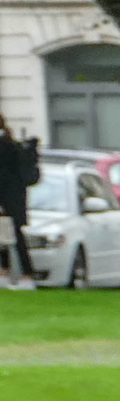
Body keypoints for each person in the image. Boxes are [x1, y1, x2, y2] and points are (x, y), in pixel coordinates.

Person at [0, 116, 38, 289]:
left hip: (7, 197)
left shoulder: (4, 145)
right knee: (12, 236)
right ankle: (23, 274)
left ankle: (12, 273)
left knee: (7, 236)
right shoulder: (11, 143)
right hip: (15, 199)